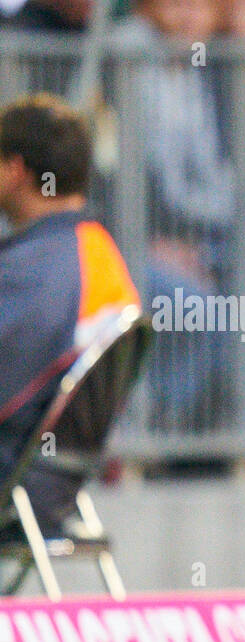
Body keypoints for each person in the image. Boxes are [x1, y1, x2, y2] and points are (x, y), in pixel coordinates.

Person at [0, 94, 139, 528]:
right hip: (63, 485)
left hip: (16, 484)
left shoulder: (36, 267)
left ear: (15, 170)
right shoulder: (98, 251)